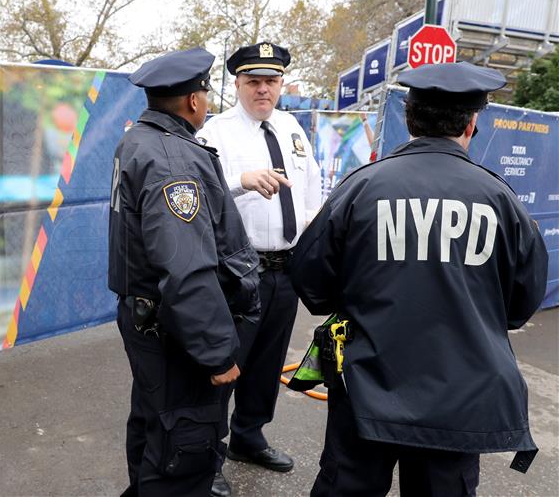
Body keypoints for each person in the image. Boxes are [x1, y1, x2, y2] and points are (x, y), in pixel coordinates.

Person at [290, 61, 548, 496]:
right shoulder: (501, 199)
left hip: (367, 386)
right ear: (472, 124)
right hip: (459, 398)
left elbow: (311, 279)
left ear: (408, 118)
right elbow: (522, 304)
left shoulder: (361, 186)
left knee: (347, 485)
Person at [108, 47, 261, 496]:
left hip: (148, 318)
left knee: (154, 424)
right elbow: (186, 268)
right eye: (205, 94)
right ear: (194, 101)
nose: (207, 103)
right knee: (184, 445)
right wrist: (216, 353)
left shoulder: (139, 139)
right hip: (173, 331)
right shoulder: (173, 159)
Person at [197, 42, 322, 495]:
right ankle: (207, 457)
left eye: (271, 81)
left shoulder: (291, 128)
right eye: (253, 81)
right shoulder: (216, 134)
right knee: (225, 366)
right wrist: (240, 182)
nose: (263, 89)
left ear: (281, 84)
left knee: (267, 365)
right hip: (236, 271)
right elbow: (196, 199)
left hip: (285, 269)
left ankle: (249, 438)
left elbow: (312, 189)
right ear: (237, 84)